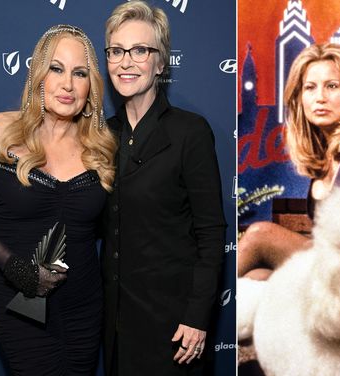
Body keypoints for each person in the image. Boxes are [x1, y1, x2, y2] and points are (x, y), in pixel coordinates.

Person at [0, 24, 116, 374]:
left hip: (85, 305)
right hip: (19, 303)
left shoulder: (101, 147)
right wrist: (20, 270)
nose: (68, 84)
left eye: (80, 73)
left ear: (91, 85)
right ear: (38, 74)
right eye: (56, 69)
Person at [100, 1, 227, 375]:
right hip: (117, 327)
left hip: (175, 328)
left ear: (161, 62)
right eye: (116, 51)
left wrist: (196, 317)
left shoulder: (190, 132)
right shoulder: (103, 135)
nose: (126, 61)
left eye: (140, 50)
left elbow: (210, 231)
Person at [238, 43, 340, 279]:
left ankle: (195, 310)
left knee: (259, 235)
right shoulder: (326, 149)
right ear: (299, 98)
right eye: (310, 88)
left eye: (332, 86)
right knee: (257, 278)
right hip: (330, 264)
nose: (320, 98)